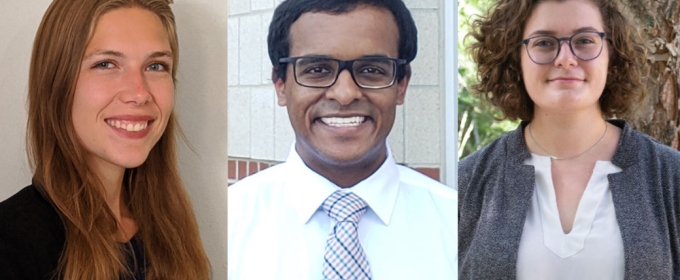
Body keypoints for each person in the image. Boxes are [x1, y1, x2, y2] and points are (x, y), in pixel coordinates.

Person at [227, 0, 457, 279]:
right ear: (281, 84)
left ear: (401, 84)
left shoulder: (459, 225)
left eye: (371, 70)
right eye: (317, 69)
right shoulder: (227, 223)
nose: (345, 93)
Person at [459, 0, 680, 279]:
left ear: (612, 54)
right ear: (514, 58)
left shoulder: (671, 177)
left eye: (585, 40)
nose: (565, 58)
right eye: (544, 43)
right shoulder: (465, 184)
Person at [0, 0, 211, 279]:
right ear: (57, 83)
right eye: (106, 64)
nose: (139, 93)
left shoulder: (171, 227)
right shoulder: (10, 244)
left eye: (156, 66)